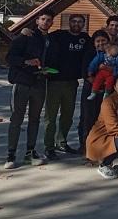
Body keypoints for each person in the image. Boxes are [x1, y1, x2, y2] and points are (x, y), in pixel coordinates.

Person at [4, 10, 55, 169]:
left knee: (35, 119)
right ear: (37, 21)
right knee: (16, 119)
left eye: (49, 20)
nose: (46, 22)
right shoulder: (26, 36)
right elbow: (10, 58)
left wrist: (47, 70)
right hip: (22, 82)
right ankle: (11, 155)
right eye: (43, 19)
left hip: (40, 83)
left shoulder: (50, 39)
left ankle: (30, 152)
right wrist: (27, 61)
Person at [43, 13, 91, 160]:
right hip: (54, 82)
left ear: (83, 24)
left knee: (67, 116)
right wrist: (27, 30)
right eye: (74, 21)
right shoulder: (58, 35)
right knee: (50, 117)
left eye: (80, 22)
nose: (77, 24)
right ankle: (49, 147)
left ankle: (61, 142)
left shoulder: (85, 39)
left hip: (71, 83)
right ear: (69, 22)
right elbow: (40, 36)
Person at [77, 30, 110, 154]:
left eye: (103, 41)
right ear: (94, 43)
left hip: (106, 90)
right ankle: (85, 146)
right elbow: (86, 72)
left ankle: (101, 145)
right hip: (91, 88)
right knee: (87, 118)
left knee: (102, 118)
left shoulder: (111, 53)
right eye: (98, 41)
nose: (101, 43)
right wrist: (97, 84)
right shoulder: (90, 53)